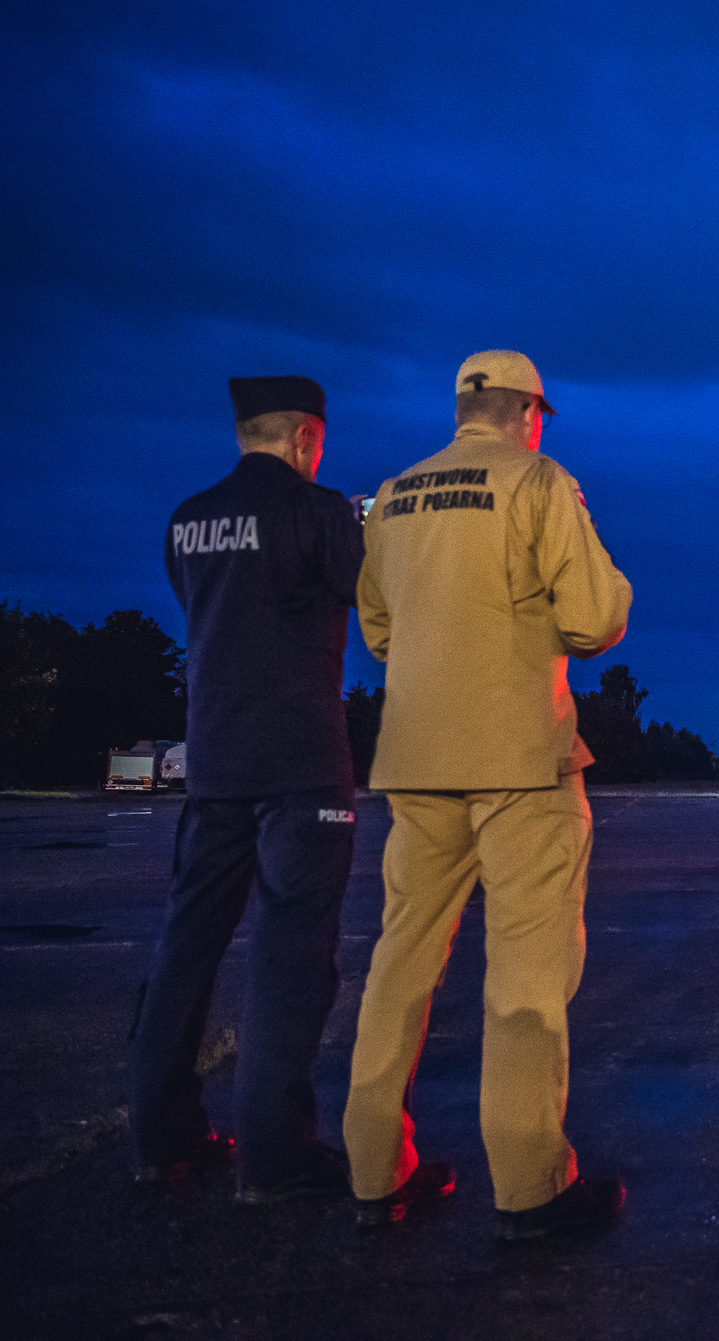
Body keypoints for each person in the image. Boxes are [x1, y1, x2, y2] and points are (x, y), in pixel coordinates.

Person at [344, 350, 632, 1240]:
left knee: (400, 961)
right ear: (527, 412)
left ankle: (372, 1168)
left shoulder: (392, 495)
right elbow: (594, 617)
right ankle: (529, 1180)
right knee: (526, 975)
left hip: (417, 761)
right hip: (518, 760)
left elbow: (380, 629)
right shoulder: (539, 481)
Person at [131, 376, 363, 1204]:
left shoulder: (187, 520)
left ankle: (158, 1135)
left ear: (243, 433)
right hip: (301, 765)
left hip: (215, 759)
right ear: (308, 438)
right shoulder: (318, 509)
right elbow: (369, 593)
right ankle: (273, 1156)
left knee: (186, 945)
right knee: (291, 957)